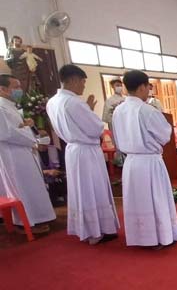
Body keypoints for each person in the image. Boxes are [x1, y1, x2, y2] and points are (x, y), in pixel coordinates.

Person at [46, 65, 119, 245]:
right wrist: (89, 111)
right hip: (86, 152)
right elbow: (95, 128)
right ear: (73, 80)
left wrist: (87, 110)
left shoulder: (52, 101)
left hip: (72, 150)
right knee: (93, 189)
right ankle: (97, 231)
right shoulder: (74, 102)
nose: (84, 86)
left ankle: (86, 229)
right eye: (83, 82)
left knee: (81, 190)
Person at [112, 70, 177, 250]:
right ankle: (160, 237)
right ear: (142, 87)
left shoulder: (118, 110)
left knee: (136, 200)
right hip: (149, 162)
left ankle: (140, 237)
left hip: (130, 162)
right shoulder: (147, 110)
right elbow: (164, 135)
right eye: (148, 87)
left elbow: (116, 137)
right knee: (155, 198)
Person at [0, 74, 55, 234]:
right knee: (21, 188)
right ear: (2, 89)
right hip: (13, 155)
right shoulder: (1, 108)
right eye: (15, 87)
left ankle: (37, 217)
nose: (20, 90)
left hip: (22, 151)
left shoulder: (10, 106)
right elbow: (8, 133)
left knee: (30, 186)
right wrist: (28, 131)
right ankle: (25, 222)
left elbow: (17, 128)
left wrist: (26, 126)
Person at [37, 130, 67, 207]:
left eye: (46, 144)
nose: (44, 146)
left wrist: (58, 172)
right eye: (42, 144)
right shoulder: (32, 154)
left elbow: (65, 169)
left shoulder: (56, 151)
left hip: (57, 182)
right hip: (41, 184)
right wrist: (46, 172)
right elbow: (31, 172)